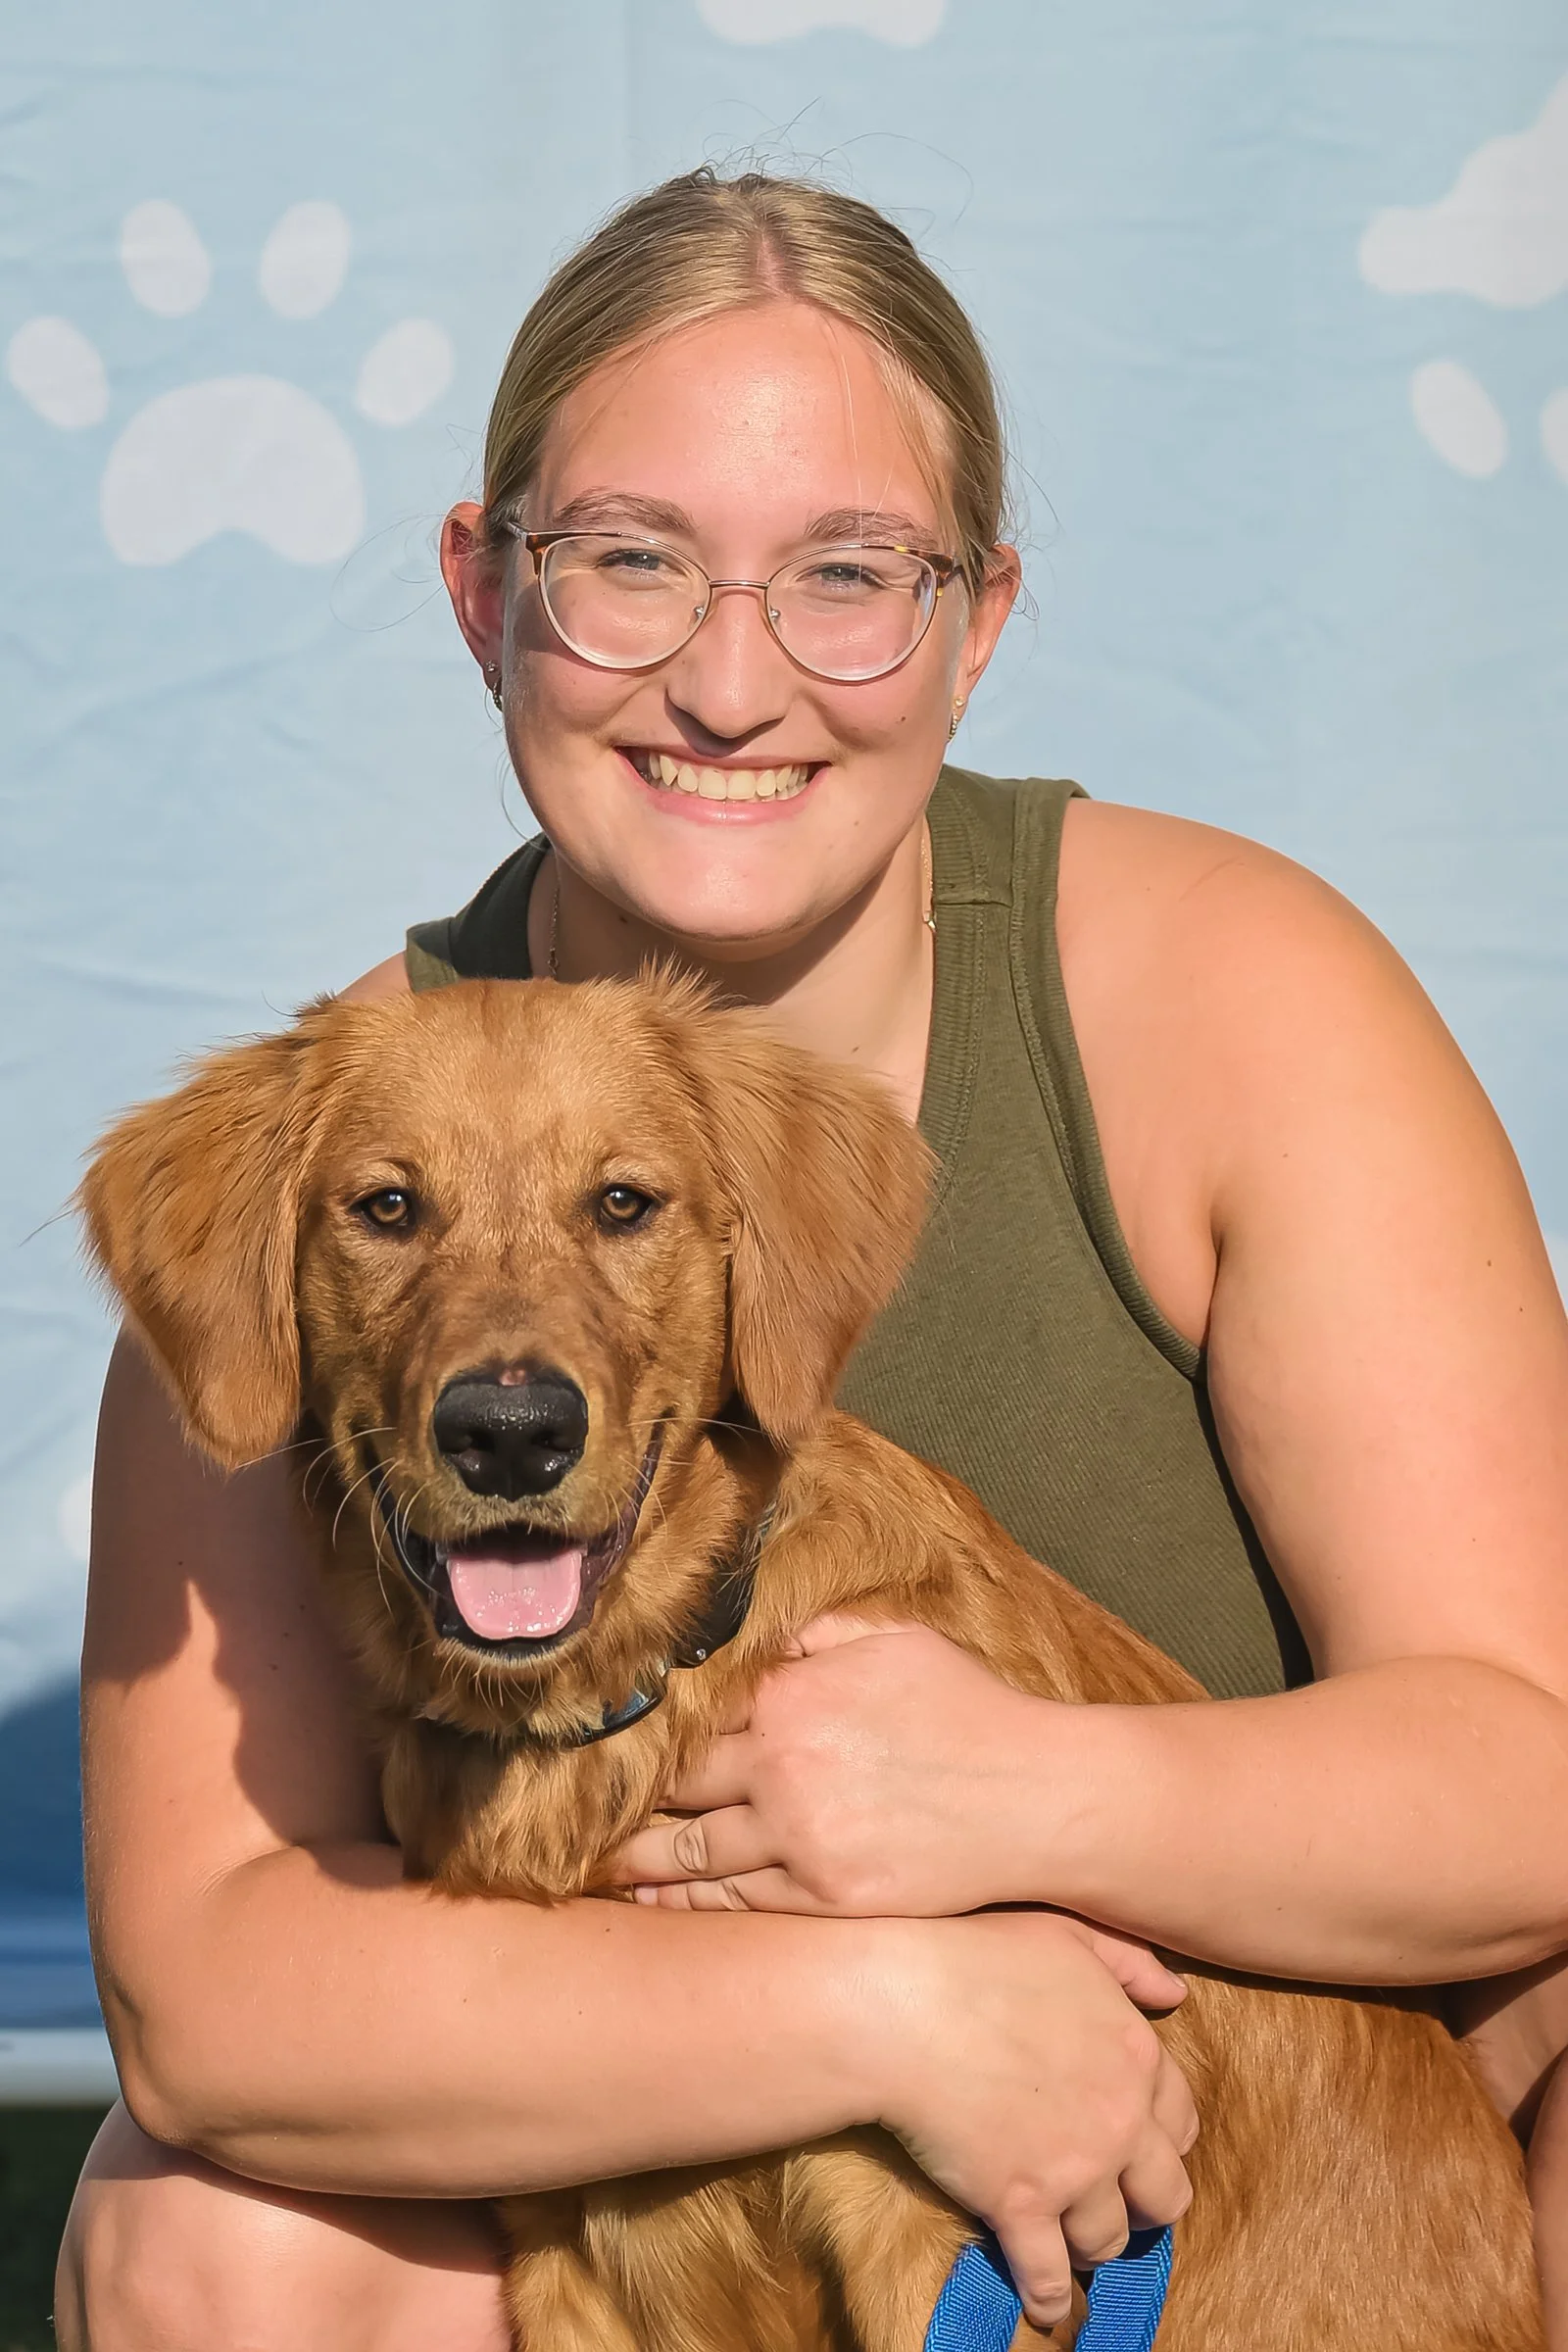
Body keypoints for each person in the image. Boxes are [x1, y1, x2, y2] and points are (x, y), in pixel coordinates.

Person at [56, 169, 1568, 2352]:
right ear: (484, 597)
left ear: (980, 619)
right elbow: (218, 2002)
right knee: (212, 2236)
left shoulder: (1230, 992)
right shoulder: (321, 1174)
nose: (731, 682)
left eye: (846, 576)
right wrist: (889, 2003)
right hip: (785, 2122)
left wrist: (1009, 1797)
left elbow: (1533, 1782)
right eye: (629, 567)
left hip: (1337, 2150)